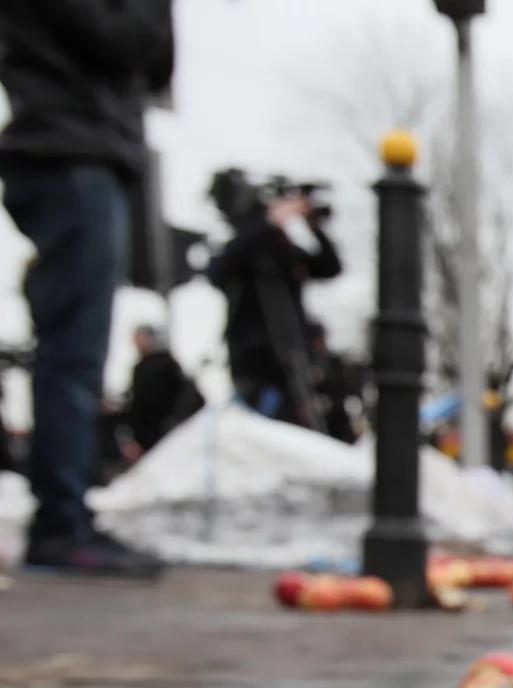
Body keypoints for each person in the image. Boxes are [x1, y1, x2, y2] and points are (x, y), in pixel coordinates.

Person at [0, 0, 174, 576]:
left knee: (77, 352)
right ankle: (60, 524)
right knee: (73, 353)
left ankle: (65, 516)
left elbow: (153, 64)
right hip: (69, 149)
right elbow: (130, 43)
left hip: (77, 147)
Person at [206, 176, 343, 429]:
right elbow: (217, 272)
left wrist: (314, 227)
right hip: (254, 362)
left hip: (293, 358)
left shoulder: (285, 256)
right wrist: (269, 221)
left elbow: (330, 267)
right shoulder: (244, 252)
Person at [123, 325, 202, 453]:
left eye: (140, 338)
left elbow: (184, 393)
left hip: (165, 426)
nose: (137, 343)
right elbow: (137, 400)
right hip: (145, 429)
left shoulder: (167, 363)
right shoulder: (139, 368)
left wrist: (175, 419)